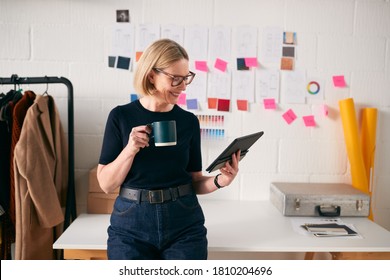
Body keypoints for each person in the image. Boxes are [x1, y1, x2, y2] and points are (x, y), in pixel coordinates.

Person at [97, 38, 240, 260]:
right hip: (130, 224)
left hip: (184, 222)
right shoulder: (120, 117)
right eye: (175, 79)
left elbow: (195, 182)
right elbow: (106, 184)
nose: (183, 86)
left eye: (186, 78)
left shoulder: (189, 121)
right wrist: (130, 149)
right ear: (151, 75)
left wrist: (221, 181)